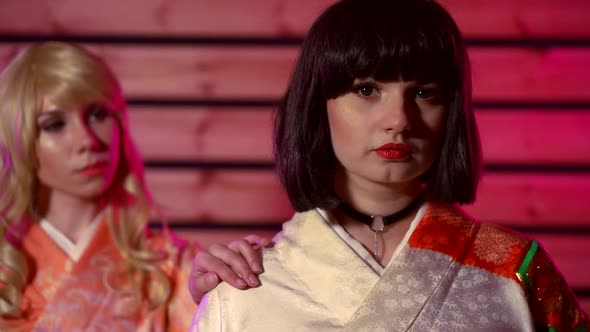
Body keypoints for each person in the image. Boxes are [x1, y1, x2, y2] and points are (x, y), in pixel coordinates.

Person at [191, 0, 589, 330]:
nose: (398, 119)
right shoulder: (243, 289)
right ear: (318, 106)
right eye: (366, 89)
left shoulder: (516, 271)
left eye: (424, 93)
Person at [0, 41, 266, 331]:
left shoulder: (174, 270)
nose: (87, 140)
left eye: (98, 115)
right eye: (54, 125)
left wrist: (219, 299)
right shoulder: (7, 272)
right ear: (20, 141)